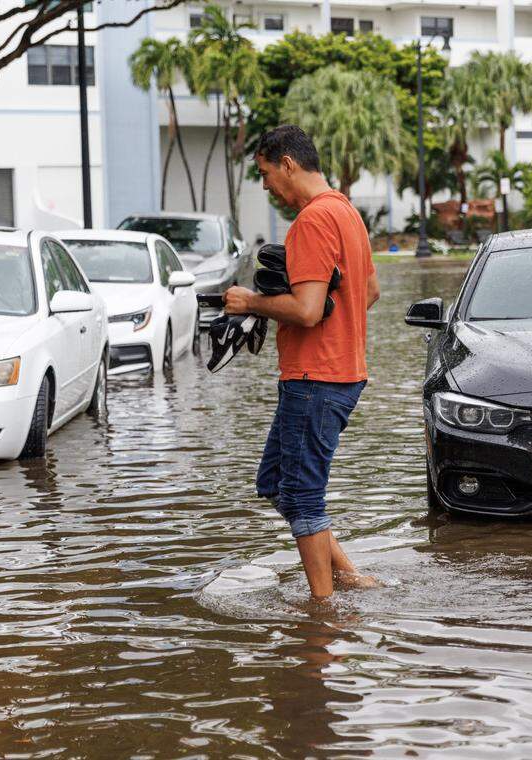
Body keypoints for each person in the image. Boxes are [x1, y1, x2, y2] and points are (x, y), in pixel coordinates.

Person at [223, 125, 381, 600]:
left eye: (266, 173)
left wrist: (251, 303)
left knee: (305, 495)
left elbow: (308, 311)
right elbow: (368, 293)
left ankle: (323, 609)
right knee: (275, 483)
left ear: (288, 163)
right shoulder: (346, 212)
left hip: (316, 378)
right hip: (341, 373)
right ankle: (348, 575)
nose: (267, 185)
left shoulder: (312, 221)